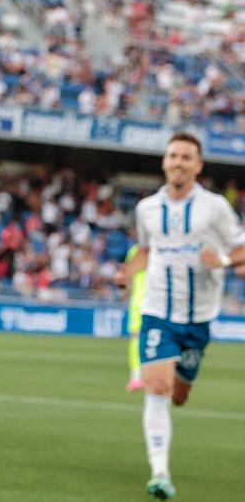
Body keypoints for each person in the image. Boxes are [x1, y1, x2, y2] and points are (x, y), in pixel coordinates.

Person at [115, 132, 245, 500]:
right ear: (163, 161)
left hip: (199, 318)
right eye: (173, 155)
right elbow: (144, 250)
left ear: (198, 165)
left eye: (186, 157)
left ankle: (164, 442)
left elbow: (241, 249)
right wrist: (127, 273)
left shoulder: (215, 207)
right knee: (157, 388)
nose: (178, 162)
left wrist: (219, 260)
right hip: (157, 312)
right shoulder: (147, 210)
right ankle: (160, 473)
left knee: (180, 395)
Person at [123, 243, 148, 392]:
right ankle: (138, 377)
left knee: (136, 338)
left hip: (140, 300)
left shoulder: (134, 250)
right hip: (152, 300)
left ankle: (136, 377)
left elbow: (126, 276)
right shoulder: (164, 246)